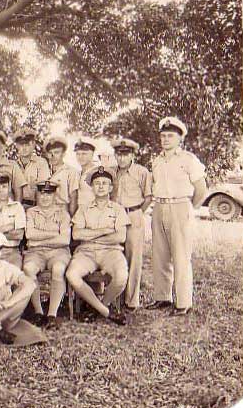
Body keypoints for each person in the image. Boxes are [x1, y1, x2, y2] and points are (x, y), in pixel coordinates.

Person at [146, 117, 207, 316]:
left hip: (180, 207)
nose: (165, 139)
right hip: (159, 207)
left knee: (181, 256)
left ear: (180, 138)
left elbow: (201, 189)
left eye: (170, 136)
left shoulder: (188, 159)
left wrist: (189, 209)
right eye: (162, 136)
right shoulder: (156, 161)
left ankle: (183, 303)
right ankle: (163, 298)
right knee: (160, 256)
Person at [65, 167, 130, 325]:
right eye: (97, 183)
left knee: (121, 276)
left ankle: (97, 308)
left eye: (104, 183)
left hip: (111, 252)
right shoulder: (84, 209)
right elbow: (76, 234)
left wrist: (91, 234)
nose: (100, 186)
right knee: (72, 275)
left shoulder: (118, 209)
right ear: (92, 187)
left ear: (110, 188)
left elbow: (120, 236)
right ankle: (105, 312)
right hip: (86, 252)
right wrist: (105, 231)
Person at [110, 138, 153, 310]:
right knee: (115, 255)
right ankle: (116, 297)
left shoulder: (141, 172)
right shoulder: (111, 172)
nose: (121, 159)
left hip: (133, 214)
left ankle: (131, 300)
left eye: (125, 154)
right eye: (118, 155)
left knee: (134, 257)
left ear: (133, 155)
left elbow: (148, 196)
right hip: (114, 217)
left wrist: (137, 212)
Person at [22, 180, 72, 328]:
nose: (45, 197)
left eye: (49, 194)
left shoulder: (63, 213)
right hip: (35, 253)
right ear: (37, 195)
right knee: (29, 269)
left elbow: (64, 240)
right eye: (42, 194)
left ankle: (52, 314)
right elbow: (30, 235)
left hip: (59, 252)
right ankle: (38, 312)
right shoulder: (31, 212)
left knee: (58, 269)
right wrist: (53, 235)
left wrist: (40, 238)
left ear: (54, 195)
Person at [13, 127, 50, 209]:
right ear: (17, 146)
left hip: (34, 206)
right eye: (21, 145)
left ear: (33, 145)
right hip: (15, 207)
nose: (24, 148)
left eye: (27, 144)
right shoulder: (13, 165)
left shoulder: (41, 163)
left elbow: (43, 189)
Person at [43, 136, 79, 216]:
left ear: (63, 154)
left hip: (62, 211)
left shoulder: (71, 171)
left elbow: (73, 198)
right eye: (50, 153)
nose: (52, 156)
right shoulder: (43, 170)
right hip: (45, 212)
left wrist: (71, 218)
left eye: (56, 152)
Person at [74, 137, 99, 210]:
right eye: (78, 154)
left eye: (84, 154)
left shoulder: (97, 172)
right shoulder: (78, 173)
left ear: (92, 154)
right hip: (80, 214)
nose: (80, 157)